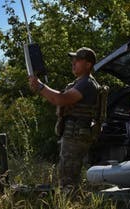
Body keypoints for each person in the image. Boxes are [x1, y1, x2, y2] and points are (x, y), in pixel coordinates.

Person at [29, 47, 100, 188]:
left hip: (76, 137)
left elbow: (60, 99)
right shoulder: (80, 83)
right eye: (73, 60)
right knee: (66, 177)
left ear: (88, 64)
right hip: (73, 136)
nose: (73, 63)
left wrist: (39, 86)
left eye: (78, 60)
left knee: (68, 181)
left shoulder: (87, 84)